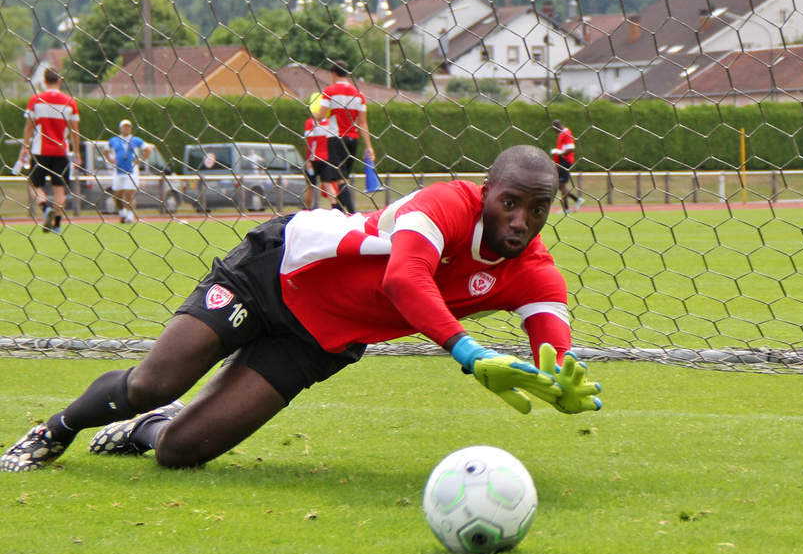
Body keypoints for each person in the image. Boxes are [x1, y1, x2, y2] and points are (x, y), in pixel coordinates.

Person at [0, 145, 601, 473]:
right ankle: (54, 431)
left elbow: (549, 328)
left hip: (316, 344)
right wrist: (467, 351)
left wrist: (560, 369)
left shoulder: (535, 269)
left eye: (537, 208)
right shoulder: (446, 205)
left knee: (182, 453)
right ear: (486, 192)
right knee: (154, 381)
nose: (521, 220)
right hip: (275, 272)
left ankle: (145, 430)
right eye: (509, 202)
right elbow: (403, 278)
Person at [18, 68, 80, 234]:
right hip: (61, 152)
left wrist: (24, 147)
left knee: (34, 185)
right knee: (59, 189)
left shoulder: (36, 100)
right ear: (60, 81)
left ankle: (45, 209)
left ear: (45, 82)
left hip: (40, 151)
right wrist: (78, 155)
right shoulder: (70, 102)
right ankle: (58, 225)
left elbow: (29, 126)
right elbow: (75, 132)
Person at [316, 61, 375, 214]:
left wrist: (315, 114)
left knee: (338, 178)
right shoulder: (359, 95)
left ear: (334, 74)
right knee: (342, 178)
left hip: (336, 138)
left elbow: (321, 114)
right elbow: (362, 122)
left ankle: (351, 212)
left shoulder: (330, 91)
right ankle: (342, 210)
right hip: (352, 139)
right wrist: (369, 147)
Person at [103, 119, 152, 223]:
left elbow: (148, 149)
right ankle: (123, 214)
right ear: (121, 128)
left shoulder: (135, 140)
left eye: (128, 127)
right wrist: (111, 160)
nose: (126, 128)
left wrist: (140, 160)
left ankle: (130, 216)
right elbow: (105, 150)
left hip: (131, 171)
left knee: (129, 194)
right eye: (124, 127)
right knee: (117, 196)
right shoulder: (114, 140)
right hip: (118, 171)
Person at [302, 93, 339, 209]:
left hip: (313, 158)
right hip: (326, 159)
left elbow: (309, 141)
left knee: (310, 186)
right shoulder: (329, 123)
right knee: (328, 184)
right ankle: (335, 207)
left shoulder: (310, 122)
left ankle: (306, 209)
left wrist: (308, 159)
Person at [551, 120, 582, 213]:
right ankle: (574, 202)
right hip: (562, 161)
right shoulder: (561, 134)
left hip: (566, 161)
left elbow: (571, 147)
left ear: (558, 126)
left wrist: (559, 152)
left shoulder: (567, 133)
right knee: (560, 186)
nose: (554, 132)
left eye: (554, 129)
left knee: (561, 185)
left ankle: (568, 208)